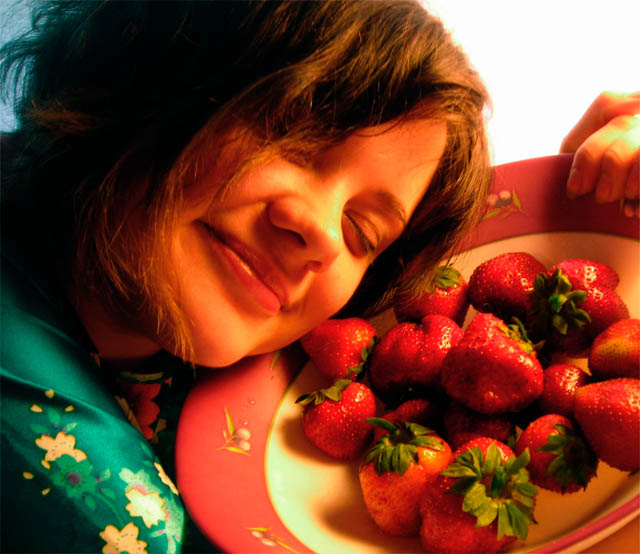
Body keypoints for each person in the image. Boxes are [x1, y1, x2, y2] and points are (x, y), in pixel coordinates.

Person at [0, 1, 637, 553]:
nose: (324, 235)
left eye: (364, 231)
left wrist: (580, 195)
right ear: (153, 65)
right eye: (290, 136)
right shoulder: (93, 500)